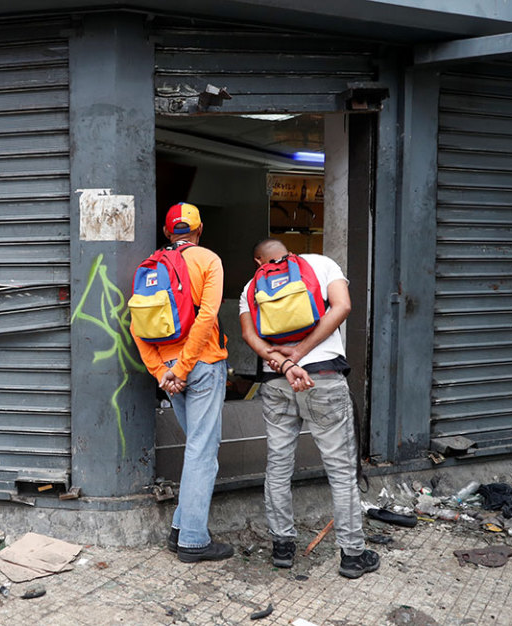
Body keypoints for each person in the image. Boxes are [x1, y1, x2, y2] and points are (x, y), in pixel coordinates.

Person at [238, 238, 378, 579]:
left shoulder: (251, 287)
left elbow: (250, 336)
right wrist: (300, 353)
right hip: (322, 377)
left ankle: (282, 547)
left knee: (278, 465)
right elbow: (342, 307)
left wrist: (283, 361)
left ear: (258, 261)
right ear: (289, 252)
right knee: (341, 469)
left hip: (275, 382)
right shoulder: (322, 263)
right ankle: (352, 555)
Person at [131, 203, 234, 563]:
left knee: (198, 449)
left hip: (171, 369)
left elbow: (137, 325)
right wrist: (186, 366)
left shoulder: (150, 265)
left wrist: (162, 371)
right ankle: (193, 541)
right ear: (199, 230)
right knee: (202, 452)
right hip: (202, 364)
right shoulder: (208, 259)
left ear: (166, 232)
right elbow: (207, 317)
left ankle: (179, 530)